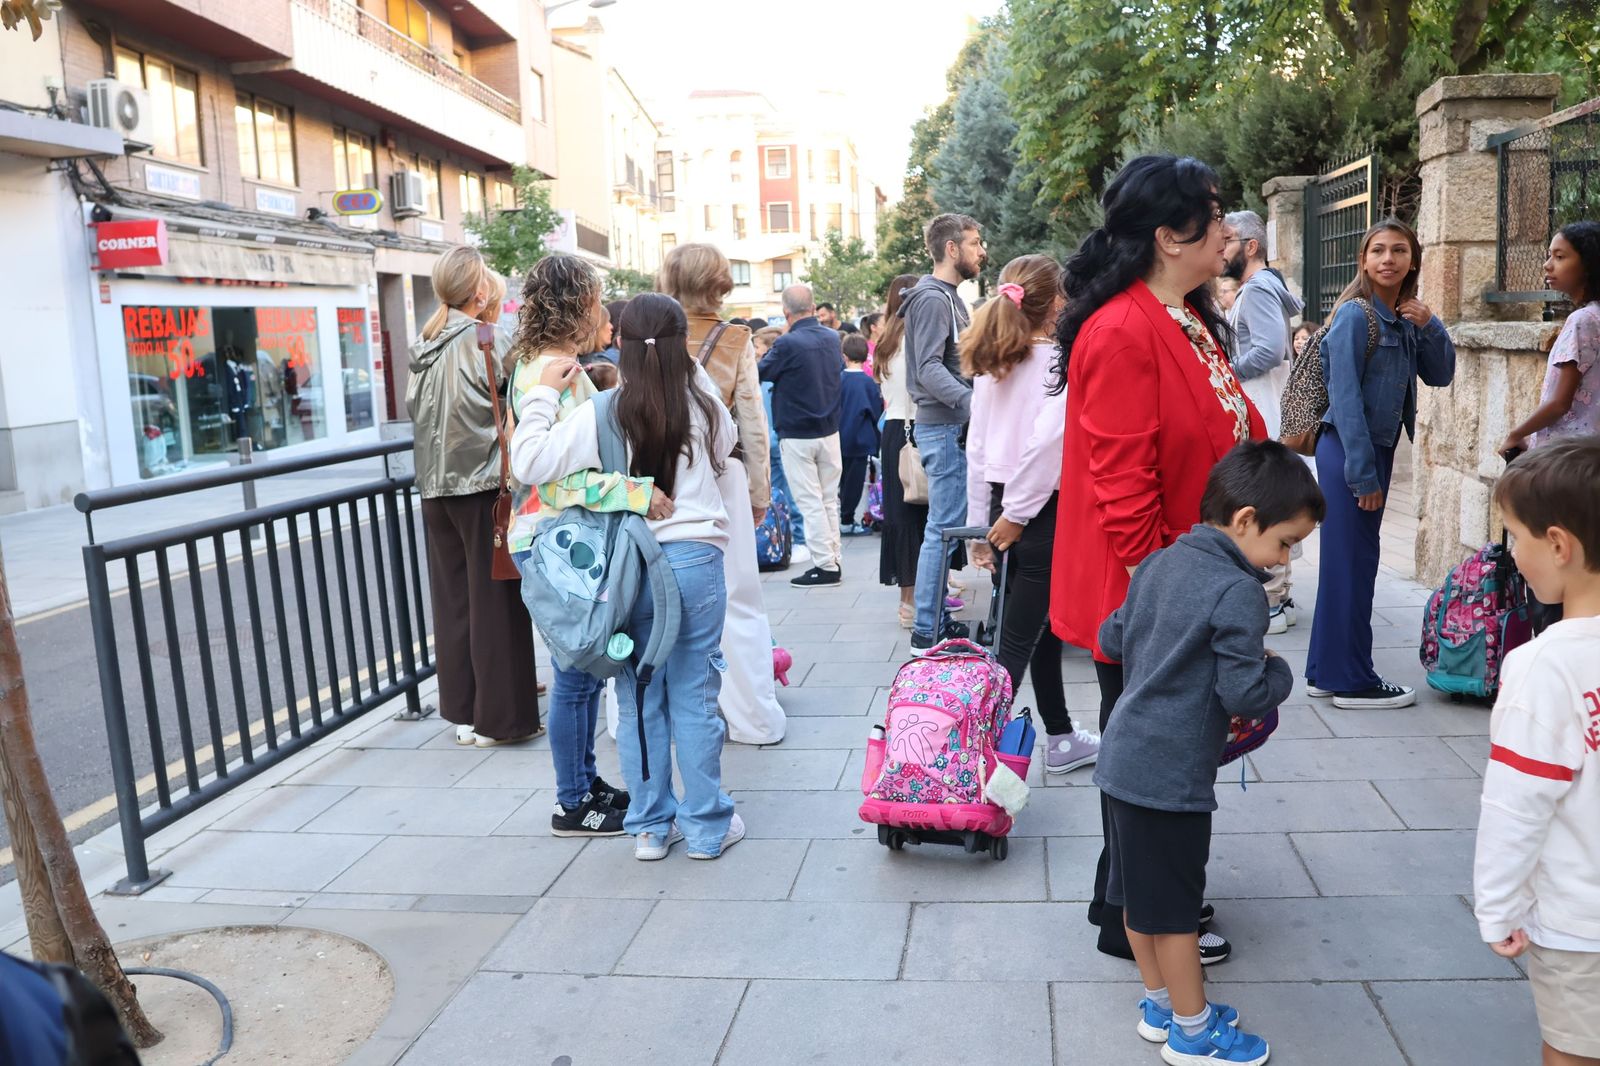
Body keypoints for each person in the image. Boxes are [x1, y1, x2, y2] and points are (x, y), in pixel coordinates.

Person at [1050, 155, 1266, 966]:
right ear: (1170, 237)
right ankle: (1141, 915)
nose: (1227, 227)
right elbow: (1123, 487)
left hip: (1183, 576)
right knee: (1157, 761)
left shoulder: (1183, 316)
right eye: (1214, 212)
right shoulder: (1123, 330)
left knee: (1158, 752)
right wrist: (1173, 599)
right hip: (1149, 589)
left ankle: (1136, 901)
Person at [1099, 440, 1320, 1066]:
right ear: (1246, 520)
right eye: (1285, 543)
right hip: (1170, 776)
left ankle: (1160, 1006)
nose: (1285, 559)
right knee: (1175, 914)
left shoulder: (1157, 563)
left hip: (1122, 759)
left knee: (1137, 898)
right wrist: (1278, 671)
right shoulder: (1238, 591)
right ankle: (1193, 1033)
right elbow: (1243, 692)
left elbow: (1110, 636)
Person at [510, 293, 744, 861]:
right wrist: (684, 365)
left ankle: (649, 828)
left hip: (632, 570)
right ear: (682, 346)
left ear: (622, 344)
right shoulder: (703, 404)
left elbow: (528, 463)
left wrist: (543, 394)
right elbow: (728, 445)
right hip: (697, 562)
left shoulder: (603, 411)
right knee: (695, 695)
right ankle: (707, 828)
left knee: (639, 698)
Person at [1472, 439, 1600, 1066]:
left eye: (1514, 536)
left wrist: (1498, 908)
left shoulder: (1544, 667)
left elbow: (1516, 806)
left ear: (1558, 545)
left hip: (1581, 925)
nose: (1511, 553)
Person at [1305, 218, 1455, 710]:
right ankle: (1352, 680)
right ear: (1364, 261)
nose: (1388, 259)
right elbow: (1345, 399)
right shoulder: (1356, 315)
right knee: (1352, 566)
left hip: (1371, 451)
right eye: (1378, 251)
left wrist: (1430, 324)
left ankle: (1326, 671)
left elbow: (1441, 374)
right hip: (1352, 451)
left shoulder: (1403, 319)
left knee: (1348, 565)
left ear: (1413, 261)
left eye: (1399, 250)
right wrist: (1363, 473)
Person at [962, 254, 1102, 773]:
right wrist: (1017, 514)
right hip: (1038, 509)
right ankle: (969, 758)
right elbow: (1048, 445)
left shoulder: (995, 360)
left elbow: (977, 448)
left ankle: (1060, 736)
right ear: (1058, 302)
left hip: (1007, 503)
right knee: (1017, 640)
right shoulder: (1058, 361)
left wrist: (983, 522)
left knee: (1034, 627)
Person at [405, 245, 541, 747]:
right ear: (479, 291)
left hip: (434, 488)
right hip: (483, 485)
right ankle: (500, 721)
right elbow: (520, 399)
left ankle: (465, 714)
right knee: (496, 601)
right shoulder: (487, 337)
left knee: (456, 602)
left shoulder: (425, 345)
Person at [660, 243, 787, 745]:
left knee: (656, 593)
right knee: (737, 596)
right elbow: (752, 423)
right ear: (720, 282)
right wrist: (760, 493)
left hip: (657, 477)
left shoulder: (649, 333)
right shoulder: (735, 338)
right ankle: (752, 716)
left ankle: (657, 710)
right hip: (720, 476)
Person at [903, 212, 987, 652]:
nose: (981, 251)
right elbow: (928, 368)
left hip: (949, 426)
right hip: (946, 427)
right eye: (974, 243)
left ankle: (932, 623)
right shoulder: (934, 299)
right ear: (952, 248)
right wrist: (974, 404)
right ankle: (927, 631)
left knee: (945, 529)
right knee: (942, 530)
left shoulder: (947, 297)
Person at [1225, 209, 1307, 635]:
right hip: (1267, 406)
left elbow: (1270, 351)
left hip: (1262, 409)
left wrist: (1225, 371)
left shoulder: (1257, 290)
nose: (1221, 248)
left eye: (1228, 240)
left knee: (1264, 505)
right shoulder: (1262, 288)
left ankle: (1272, 601)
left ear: (1251, 246)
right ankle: (1281, 597)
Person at [759, 283, 845, 586]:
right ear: (812, 307)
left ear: (786, 312)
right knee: (828, 500)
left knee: (810, 502)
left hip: (797, 433)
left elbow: (761, 372)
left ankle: (825, 565)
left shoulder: (787, 343)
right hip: (829, 430)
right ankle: (833, 558)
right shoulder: (832, 338)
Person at [1501, 222, 1600, 454]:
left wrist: (1516, 434)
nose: (1547, 265)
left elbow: (1559, 403)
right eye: (1549, 255)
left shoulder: (1583, 321)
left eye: (1560, 256)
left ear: (1588, 264)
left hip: (1567, 458)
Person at [874, 274, 929, 627]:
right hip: (920, 429)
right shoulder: (917, 340)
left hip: (893, 432)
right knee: (925, 514)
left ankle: (907, 600)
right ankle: (922, 598)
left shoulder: (885, 343)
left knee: (901, 513)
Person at [838, 334, 883, 534]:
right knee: (854, 483)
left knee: (841, 480)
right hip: (861, 441)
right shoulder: (869, 383)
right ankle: (847, 520)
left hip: (838, 438)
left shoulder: (837, 380)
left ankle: (842, 516)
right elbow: (876, 414)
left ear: (844, 355)